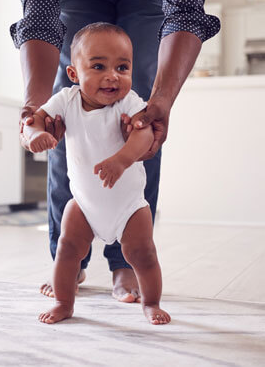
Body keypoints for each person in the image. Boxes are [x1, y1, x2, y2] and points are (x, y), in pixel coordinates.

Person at [11, 0, 220, 302]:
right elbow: (38, 16)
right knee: (62, 112)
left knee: (138, 107)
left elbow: (183, 7)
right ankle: (68, 256)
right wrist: (35, 107)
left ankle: (126, 261)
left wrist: (161, 101)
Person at [25, 22, 171, 325]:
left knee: (142, 253)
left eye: (122, 67)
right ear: (75, 74)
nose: (112, 76)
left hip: (128, 206)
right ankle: (64, 303)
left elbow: (143, 136)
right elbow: (36, 118)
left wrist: (121, 160)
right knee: (67, 249)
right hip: (85, 203)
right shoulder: (66, 100)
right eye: (99, 66)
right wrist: (35, 132)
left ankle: (151, 303)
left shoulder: (130, 103)